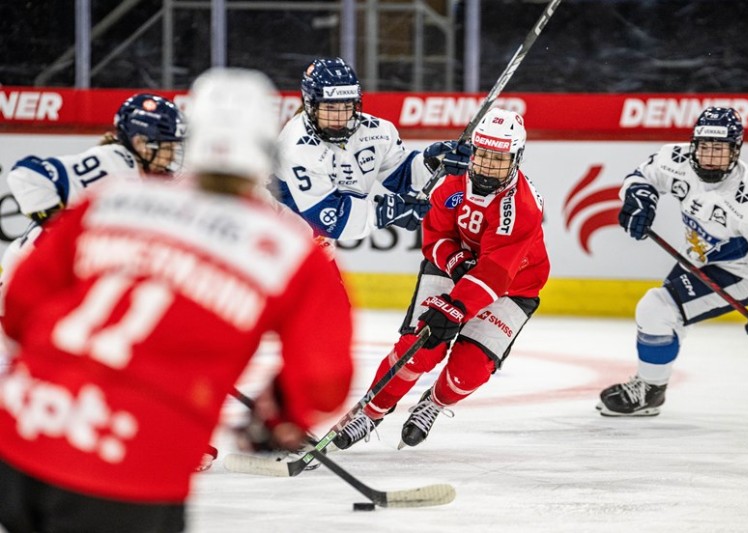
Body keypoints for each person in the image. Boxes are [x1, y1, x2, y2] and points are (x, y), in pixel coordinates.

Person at [0, 68, 354, 533]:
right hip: (126, 473)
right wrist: (278, 412)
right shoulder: (288, 248)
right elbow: (324, 380)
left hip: (18, 442)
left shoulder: (110, 200)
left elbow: (21, 306)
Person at [332, 107, 550, 450]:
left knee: (471, 369)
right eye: (483, 155)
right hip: (454, 271)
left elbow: (496, 273)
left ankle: (433, 404)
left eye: (499, 158)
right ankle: (370, 411)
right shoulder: (452, 179)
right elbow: (434, 233)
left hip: (513, 287)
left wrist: (455, 307)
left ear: (517, 158)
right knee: (418, 349)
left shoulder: (521, 206)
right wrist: (453, 258)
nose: (487, 166)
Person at [597, 106, 748, 417]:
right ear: (693, 145)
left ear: (736, 151)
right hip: (698, 259)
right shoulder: (676, 160)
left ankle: (650, 390)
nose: (710, 157)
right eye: (704, 147)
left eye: (720, 149)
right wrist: (639, 198)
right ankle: (652, 385)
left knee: (656, 308)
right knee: (664, 316)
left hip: (740, 272)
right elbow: (644, 176)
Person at [0, 92, 186, 319]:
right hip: (28, 277)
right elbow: (27, 174)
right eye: (167, 146)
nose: (171, 156)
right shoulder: (115, 163)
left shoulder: (142, 177)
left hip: (50, 283)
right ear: (140, 142)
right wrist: (58, 222)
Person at [272, 57, 472, 245]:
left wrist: (433, 164)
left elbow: (404, 177)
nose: (339, 117)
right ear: (310, 105)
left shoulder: (376, 132)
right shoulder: (297, 146)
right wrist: (386, 212)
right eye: (330, 107)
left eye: (346, 106)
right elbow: (328, 219)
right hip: (272, 242)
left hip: (310, 246)